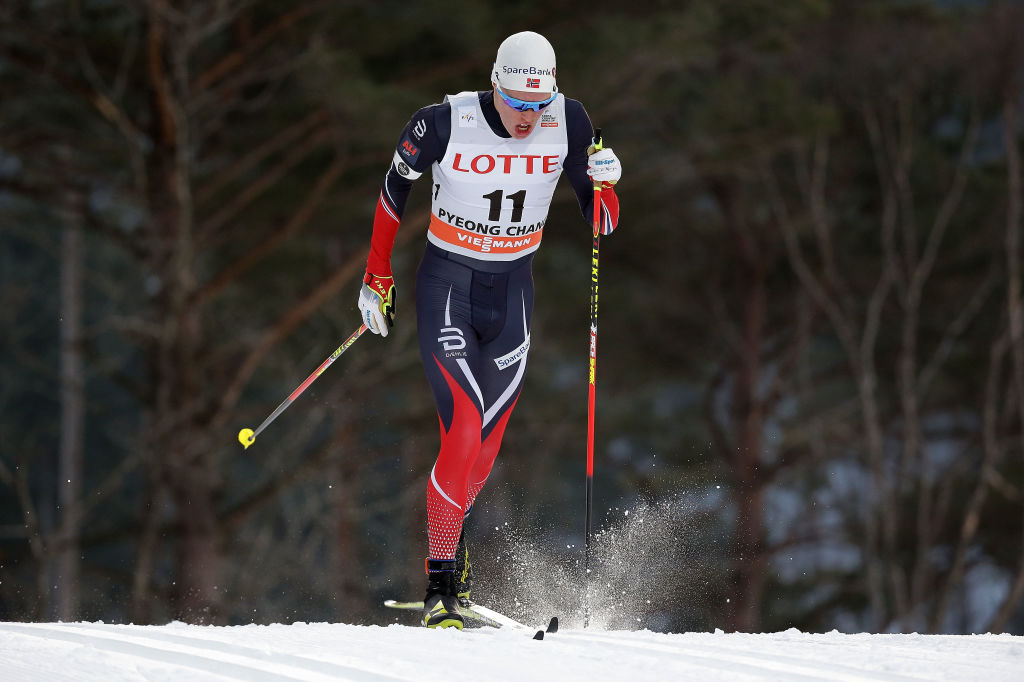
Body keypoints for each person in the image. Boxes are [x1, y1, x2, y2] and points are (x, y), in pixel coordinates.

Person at [357, 31, 622, 629]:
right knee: (462, 428)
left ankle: (454, 546)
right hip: (447, 284)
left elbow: (599, 220)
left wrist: (605, 184)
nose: (529, 117)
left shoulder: (571, 121)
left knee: (485, 448)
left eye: (539, 104)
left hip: (513, 293)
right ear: (495, 85)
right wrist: (377, 276)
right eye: (516, 103)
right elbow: (392, 192)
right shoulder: (444, 122)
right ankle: (440, 583)